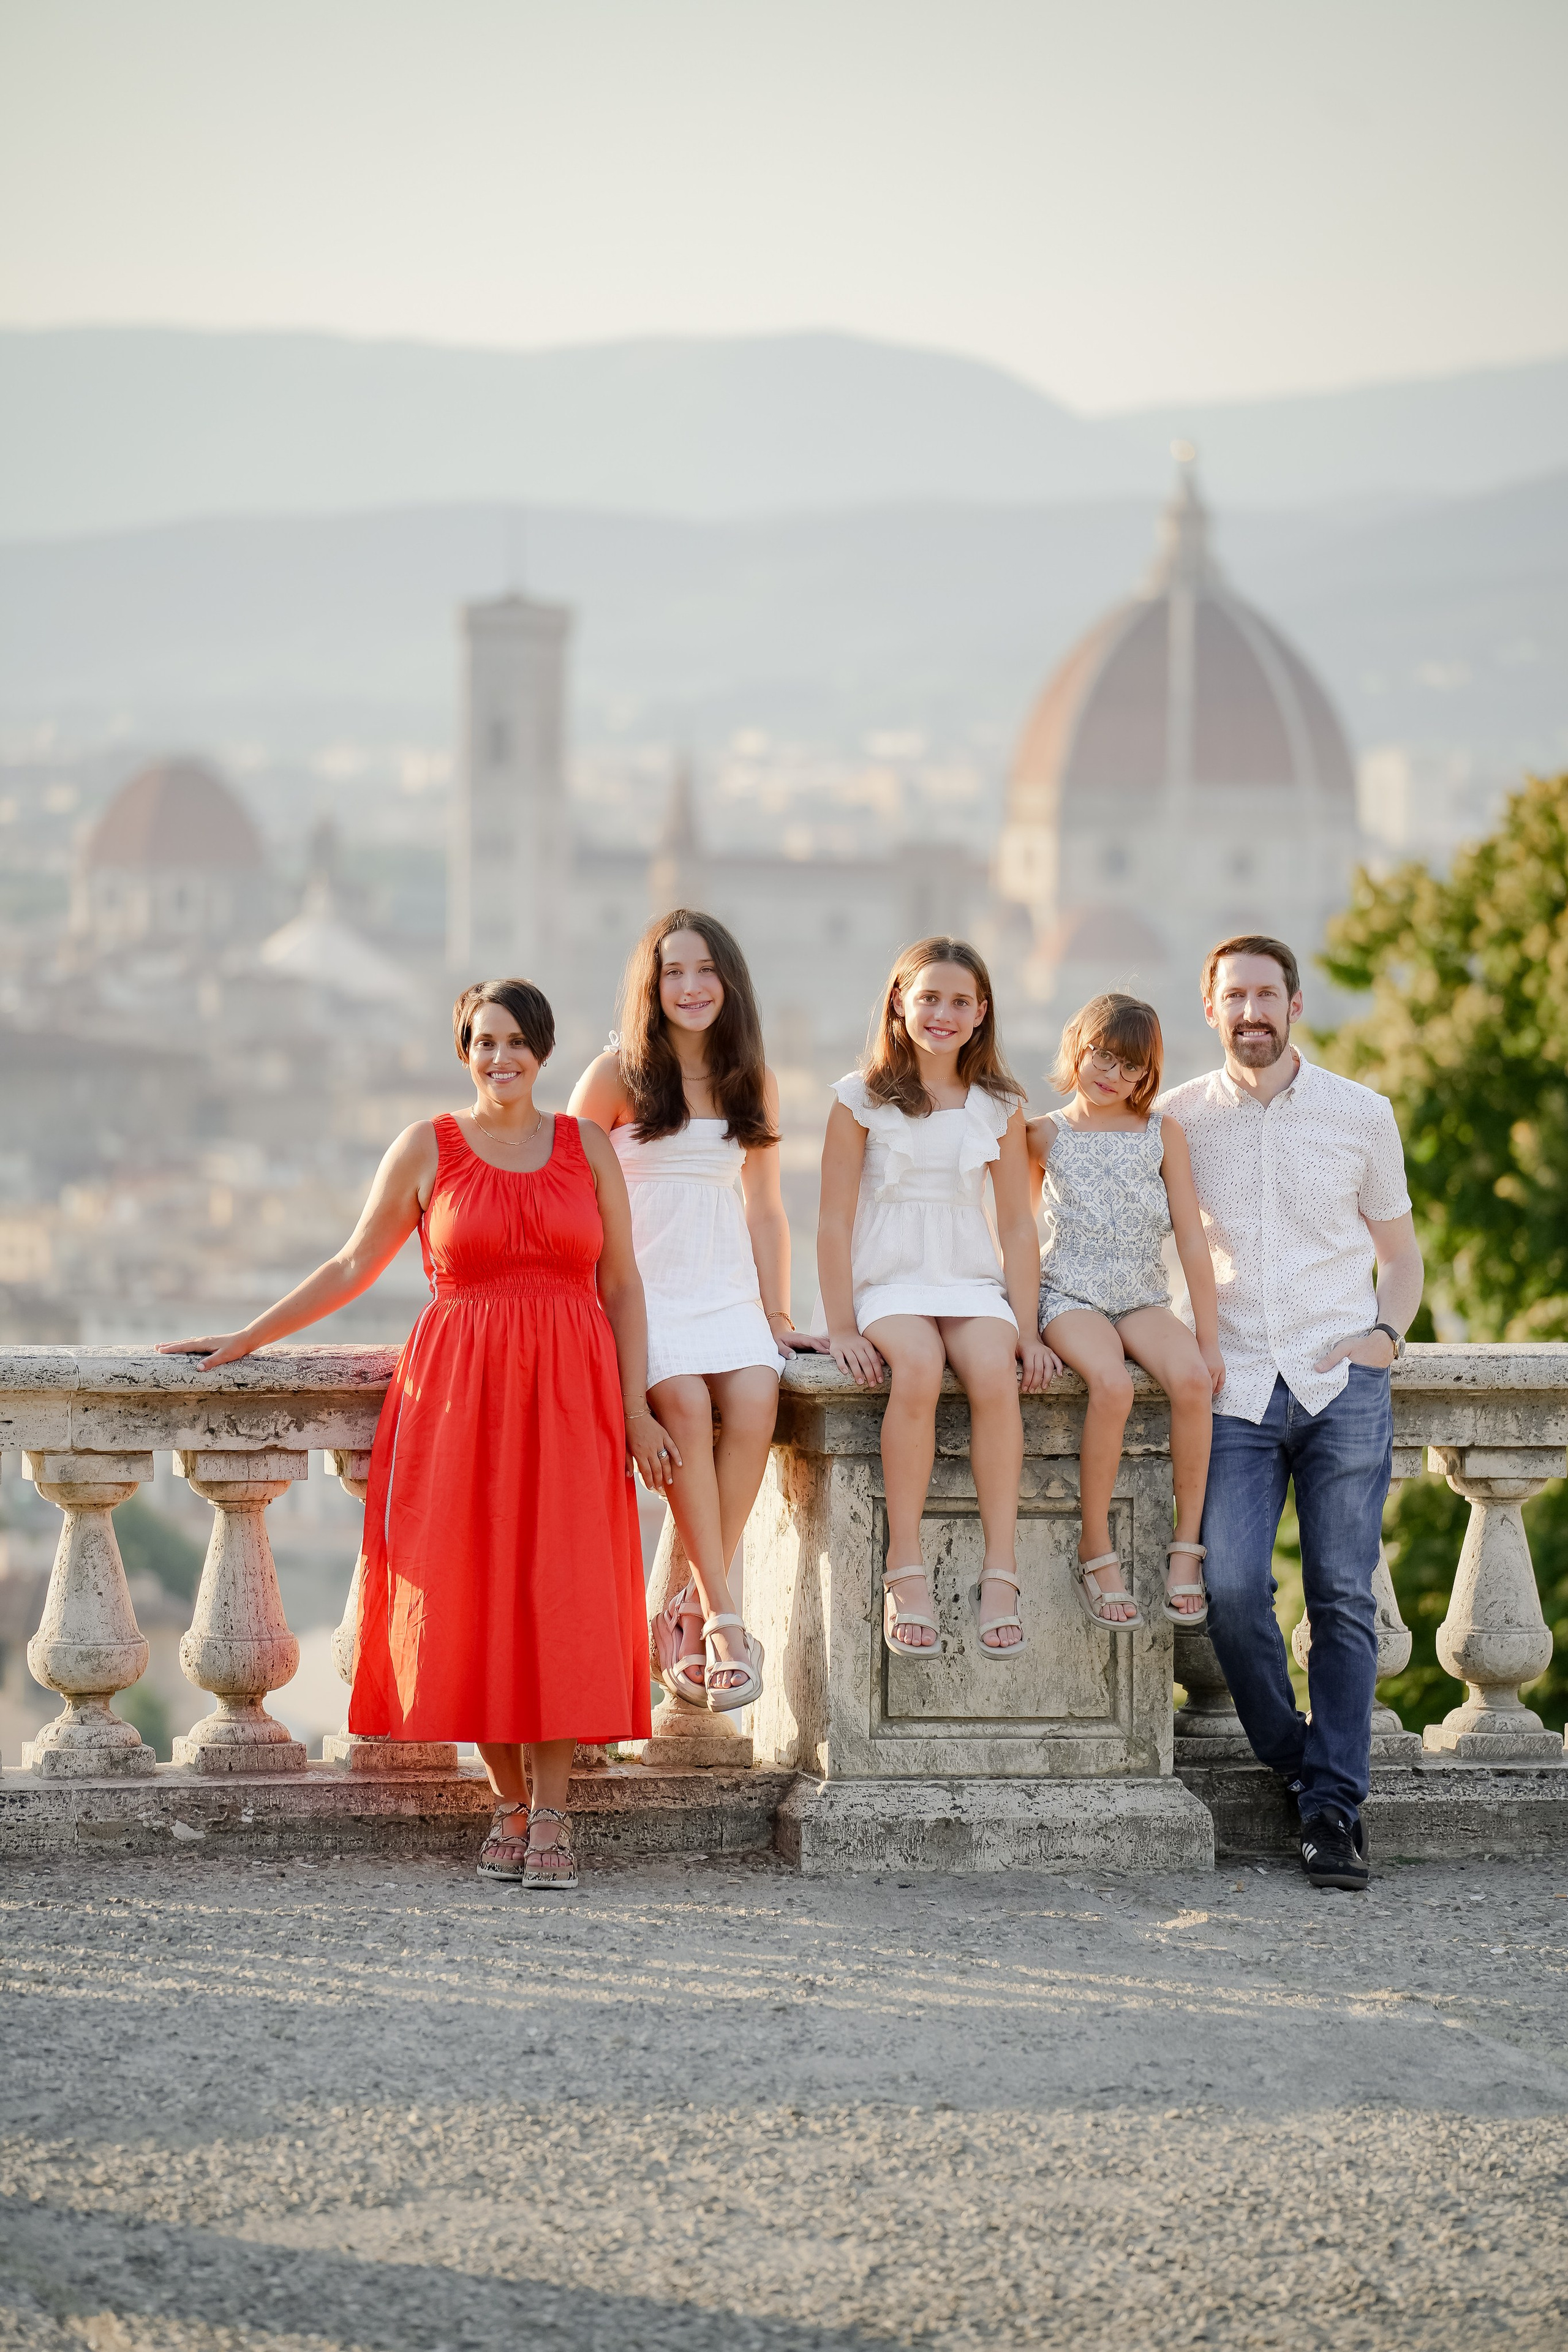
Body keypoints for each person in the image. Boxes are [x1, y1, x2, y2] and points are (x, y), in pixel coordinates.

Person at [160, 977, 676, 1894]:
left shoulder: (584, 1145)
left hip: (572, 1389)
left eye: (516, 1041)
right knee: (471, 1593)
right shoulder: (425, 1148)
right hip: (459, 1394)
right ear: (462, 1049)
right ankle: (509, 1802)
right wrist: (248, 1335)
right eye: (482, 1041)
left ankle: (553, 1810)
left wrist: (635, 1409)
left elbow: (625, 1286)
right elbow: (354, 1261)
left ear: (543, 1051)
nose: (499, 1057)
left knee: (561, 1590)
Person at [1159, 934, 1423, 1894]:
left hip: (1339, 1384)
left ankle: (1332, 1813)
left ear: (1296, 1004)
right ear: (1212, 1009)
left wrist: (1385, 1339)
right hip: (1232, 1391)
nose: (1252, 1012)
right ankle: (1297, 1754)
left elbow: (1401, 1257)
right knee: (1230, 1590)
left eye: (1268, 994)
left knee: (1344, 1597)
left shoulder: (1363, 1114)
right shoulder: (1175, 1120)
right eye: (1235, 996)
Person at [571, 910, 818, 1711]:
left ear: (730, 981)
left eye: (705, 969)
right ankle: (720, 1614)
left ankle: (680, 1601)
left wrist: (777, 1315)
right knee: (680, 1400)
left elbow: (767, 1210)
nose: (690, 986)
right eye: (673, 972)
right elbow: (571, 1195)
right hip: (644, 1287)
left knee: (755, 1398)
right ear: (651, 985)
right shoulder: (614, 1076)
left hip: (725, 1286)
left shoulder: (755, 1080)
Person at [816, 936, 1059, 1660]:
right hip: (888, 1279)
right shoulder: (855, 1098)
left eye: (959, 1001)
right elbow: (831, 1220)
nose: (943, 1013)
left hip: (969, 1276)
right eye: (929, 998)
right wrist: (839, 1328)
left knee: (994, 1374)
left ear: (981, 1013)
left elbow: (1017, 1225)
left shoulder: (1001, 1105)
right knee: (916, 1368)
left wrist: (1030, 1329)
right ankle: (906, 1563)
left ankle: (1000, 1569)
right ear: (899, 1001)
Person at [1027, 993, 1224, 1629]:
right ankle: (1095, 1546)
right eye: (1102, 1056)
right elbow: (1014, 1233)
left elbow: (1192, 1240)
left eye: (1132, 1067)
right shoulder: (1043, 1134)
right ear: (1077, 1048)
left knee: (1193, 1380)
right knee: (1110, 1383)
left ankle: (1185, 1548)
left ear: (1148, 1075)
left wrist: (1209, 1339)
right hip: (1069, 1296)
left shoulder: (1161, 1134)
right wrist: (1016, 1327)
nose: (1113, 1075)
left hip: (1141, 1296)